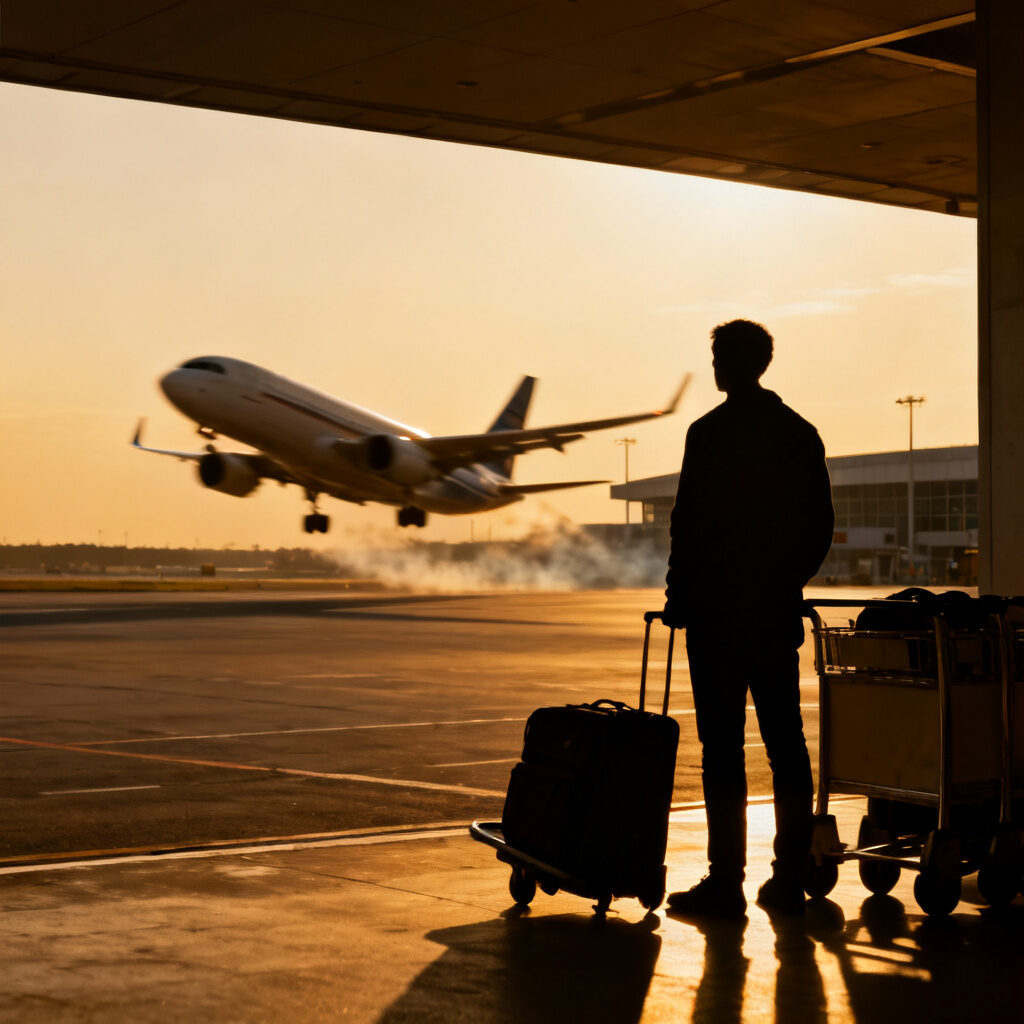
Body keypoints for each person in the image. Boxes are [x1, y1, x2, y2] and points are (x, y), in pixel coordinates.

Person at [663, 319, 834, 917]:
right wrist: (782, 584)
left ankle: (724, 880)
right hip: (770, 613)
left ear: (726, 365)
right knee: (785, 744)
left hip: (714, 617)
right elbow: (819, 529)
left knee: (722, 750)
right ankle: (789, 875)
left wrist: (677, 596)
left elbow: (686, 526)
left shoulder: (707, 435)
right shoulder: (797, 433)